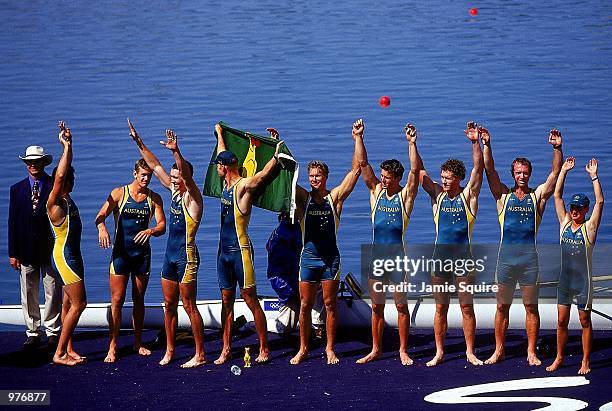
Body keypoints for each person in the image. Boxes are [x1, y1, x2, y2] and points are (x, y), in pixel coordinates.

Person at [128, 119, 206, 368]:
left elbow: (185, 175)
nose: (172, 180)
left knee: (189, 305)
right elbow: (155, 165)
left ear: (186, 178)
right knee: (169, 305)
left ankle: (200, 353)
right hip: (169, 258)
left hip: (187, 257)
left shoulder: (193, 197)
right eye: (172, 177)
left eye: (177, 177)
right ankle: (170, 350)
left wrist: (176, 151)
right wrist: (138, 141)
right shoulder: (173, 190)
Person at [483, 128, 563, 366]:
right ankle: (499, 350)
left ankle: (531, 351)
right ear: (513, 174)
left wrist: (557, 148)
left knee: (531, 306)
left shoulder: (537, 197)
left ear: (529, 174)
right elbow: (489, 170)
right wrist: (487, 144)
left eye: (525, 173)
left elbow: (555, 172)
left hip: (529, 262)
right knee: (501, 306)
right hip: (505, 261)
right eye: (518, 173)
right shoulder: (502, 196)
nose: (522, 176)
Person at [290, 120, 361, 365]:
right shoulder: (303, 198)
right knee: (306, 304)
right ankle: (303, 348)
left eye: (318, 175)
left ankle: (330, 348)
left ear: (326, 176)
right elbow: (286, 177)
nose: (314, 179)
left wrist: (357, 138)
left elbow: (355, 171)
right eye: (311, 176)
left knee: (330, 303)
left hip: (330, 259)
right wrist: (278, 146)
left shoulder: (335, 198)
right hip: (308, 259)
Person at [414, 121, 485, 367]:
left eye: (447, 178)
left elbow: (478, 168)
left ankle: (469, 351)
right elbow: (419, 172)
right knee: (440, 307)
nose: (443, 181)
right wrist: (413, 144)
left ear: (458, 178)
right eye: (442, 177)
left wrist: (475, 143)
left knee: (466, 306)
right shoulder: (438, 196)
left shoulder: (468, 196)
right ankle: (439, 352)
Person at [213, 123, 284, 365]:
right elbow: (221, 151)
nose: (217, 169)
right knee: (226, 300)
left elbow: (263, 175)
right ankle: (225, 348)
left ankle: (264, 348)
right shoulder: (225, 184)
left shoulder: (243, 187)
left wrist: (275, 150)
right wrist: (220, 134)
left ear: (227, 167)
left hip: (241, 251)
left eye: (219, 166)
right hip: (223, 253)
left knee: (249, 298)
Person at [353, 120, 419, 365]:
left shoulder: (405, 196)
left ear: (397, 178)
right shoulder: (376, 192)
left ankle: (403, 350)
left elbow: (414, 173)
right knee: (377, 307)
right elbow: (363, 165)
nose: (384, 180)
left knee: (401, 307)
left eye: (388, 178)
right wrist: (358, 137)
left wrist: (412, 143)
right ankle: (376, 349)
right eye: (382, 176)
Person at [95, 158, 166, 362]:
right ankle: (112, 345)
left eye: (149, 176)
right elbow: (100, 215)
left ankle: (137, 342)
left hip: (141, 256)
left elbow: (162, 225)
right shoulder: (119, 193)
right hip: (120, 255)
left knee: (139, 299)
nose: (146, 179)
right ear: (135, 174)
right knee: (117, 300)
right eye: (143, 175)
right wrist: (102, 228)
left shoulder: (154, 198)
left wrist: (151, 230)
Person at [546, 157, 603, 375]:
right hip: (565, 282)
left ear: (585, 209)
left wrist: (594, 176)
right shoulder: (564, 224)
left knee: (584, 320)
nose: (575, 210)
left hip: (583, 282)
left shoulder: (589, 229)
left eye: (579, 208)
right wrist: (563, 171)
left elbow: (600, 202)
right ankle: (559, 357)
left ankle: (585, 361)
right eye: (573, 207)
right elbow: (557, 195)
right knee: (561, 320)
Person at [9, 144, 62, 349]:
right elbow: (12, 222)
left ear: (43, 163)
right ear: (26, 164)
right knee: (28, 291)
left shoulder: (53, 185)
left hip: (50, 248)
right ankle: (32, 331)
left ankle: (53, 330)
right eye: (29, 162)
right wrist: (13, 253)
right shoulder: (17, 189)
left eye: (36, 161)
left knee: (52, 289)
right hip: (25, 249)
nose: (32, 165)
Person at [46, 121, 88, 365]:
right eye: (66, 181)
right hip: (65, 256)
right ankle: (59, 353)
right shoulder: (54, 201)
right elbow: (60, 173)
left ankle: (68, 347)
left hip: (74, 255)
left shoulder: (67, 199)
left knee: (67, 303)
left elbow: (65, 172)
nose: (68, 182)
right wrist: (66, 146)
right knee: (80, 303)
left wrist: (70, 150)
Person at [266, 211, 302, 334]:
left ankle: (314, 323)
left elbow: (267, 247)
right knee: (285, 327)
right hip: (284, 278)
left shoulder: (280, 230)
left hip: (287, 274)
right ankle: (255, 324)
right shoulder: (287, 231)